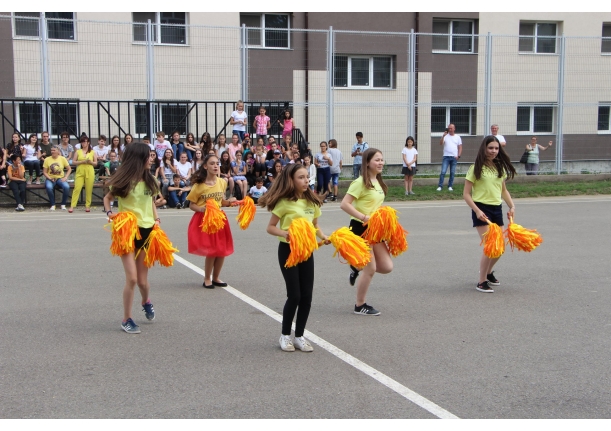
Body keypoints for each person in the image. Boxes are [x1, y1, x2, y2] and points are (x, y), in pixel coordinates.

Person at [259, 164, 328, 352]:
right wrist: (285, 233)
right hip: (288, 250)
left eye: (307, 177)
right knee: (294, 295)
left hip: (306, 251)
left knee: (307, 296)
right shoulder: (284, 203)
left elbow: (315, 225)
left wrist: (323, 237)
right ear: (291, 180)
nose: (306, 181)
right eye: (301, 177)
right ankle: (284, 335)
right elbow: (270, 227)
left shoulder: (312, 202)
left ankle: (299, 336)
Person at [103, 143, 161, 334]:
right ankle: (126, 319)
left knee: (143, 281)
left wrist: (156, 219)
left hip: (147, 231)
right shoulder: (123, 181)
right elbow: (108, 198)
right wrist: (109, 213)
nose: (151, 159)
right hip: (127, 232)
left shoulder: (151, 180)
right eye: (148, 156)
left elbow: (151, 202)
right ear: (138, 158)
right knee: (132, 279)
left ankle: (145, 301)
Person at [340, 148, 393, 316]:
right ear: (367, 163)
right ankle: (360, 305)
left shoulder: (378, 181)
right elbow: (344, 204)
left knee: (386, 267)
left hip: (374, 229)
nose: (381, 163)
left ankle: (356, 266)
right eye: (377, 160)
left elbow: (374, 204)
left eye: (382, 159)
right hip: (360, 228)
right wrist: (363, 217)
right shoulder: (360, 182)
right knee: (370, 269)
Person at [463, 135, 517, 293]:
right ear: (484, 149)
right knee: (489, 246)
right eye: (490, 148)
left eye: (496, 148)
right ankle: (481, 282)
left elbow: (503, 190)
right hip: (481, 208)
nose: (493, 151)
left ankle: (488, 272)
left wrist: (512, 206)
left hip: (496, 209)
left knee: (500, 247)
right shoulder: (476, 168)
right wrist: (477, 211)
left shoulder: (499, 167)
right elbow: (466, 194)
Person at [187, 154, 236, 288]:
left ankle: (216, 277)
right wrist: (202, 209)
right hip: (206, 221)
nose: (215, 166)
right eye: (212, 163)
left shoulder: (222, 182)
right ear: (205, 166)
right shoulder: (199, 186)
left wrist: (230, 202)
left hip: (219, 219)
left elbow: (221, 201)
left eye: (217, 163)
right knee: (212, 250)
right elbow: (191, 205)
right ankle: (207, 278)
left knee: (221, 249)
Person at [69, 135, 97, 213]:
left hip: (89, 170)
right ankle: (72, 205)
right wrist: (82, 161)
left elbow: (95, 163)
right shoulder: (78, 151)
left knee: (89, 189)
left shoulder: (92, 152)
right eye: (82, 142)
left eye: (85, 141)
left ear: (88, 142)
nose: (83, 143)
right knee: (77, 188)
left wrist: (91, 162)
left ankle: (88, 205)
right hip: (80, 171)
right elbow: (73, 162)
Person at [43, 145, 72, 211]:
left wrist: (66, 177)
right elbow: (44, 172)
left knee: (66, 187)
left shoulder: (62, 159)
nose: (52, 152)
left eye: (54, 150)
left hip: (60, 178)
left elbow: (69, 169)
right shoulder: (47, 159)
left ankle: (63, 204)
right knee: (49, 187)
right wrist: (49, 178)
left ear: (58, 151)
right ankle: (53, 204)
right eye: (51, 150)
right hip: (50, 178)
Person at [437, 123, 462, 192]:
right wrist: (443, 136)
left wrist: (459, 155)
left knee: (452, 172)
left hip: (454, 157)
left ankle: (450, 186)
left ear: (454, 129)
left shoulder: (457, 137)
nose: (450, 130)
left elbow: (460, 147)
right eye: (449, 128)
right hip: (446, 156)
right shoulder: (445, 136)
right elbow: (441, 143)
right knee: (443, 172)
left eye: (451, 128)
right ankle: (440, 186)